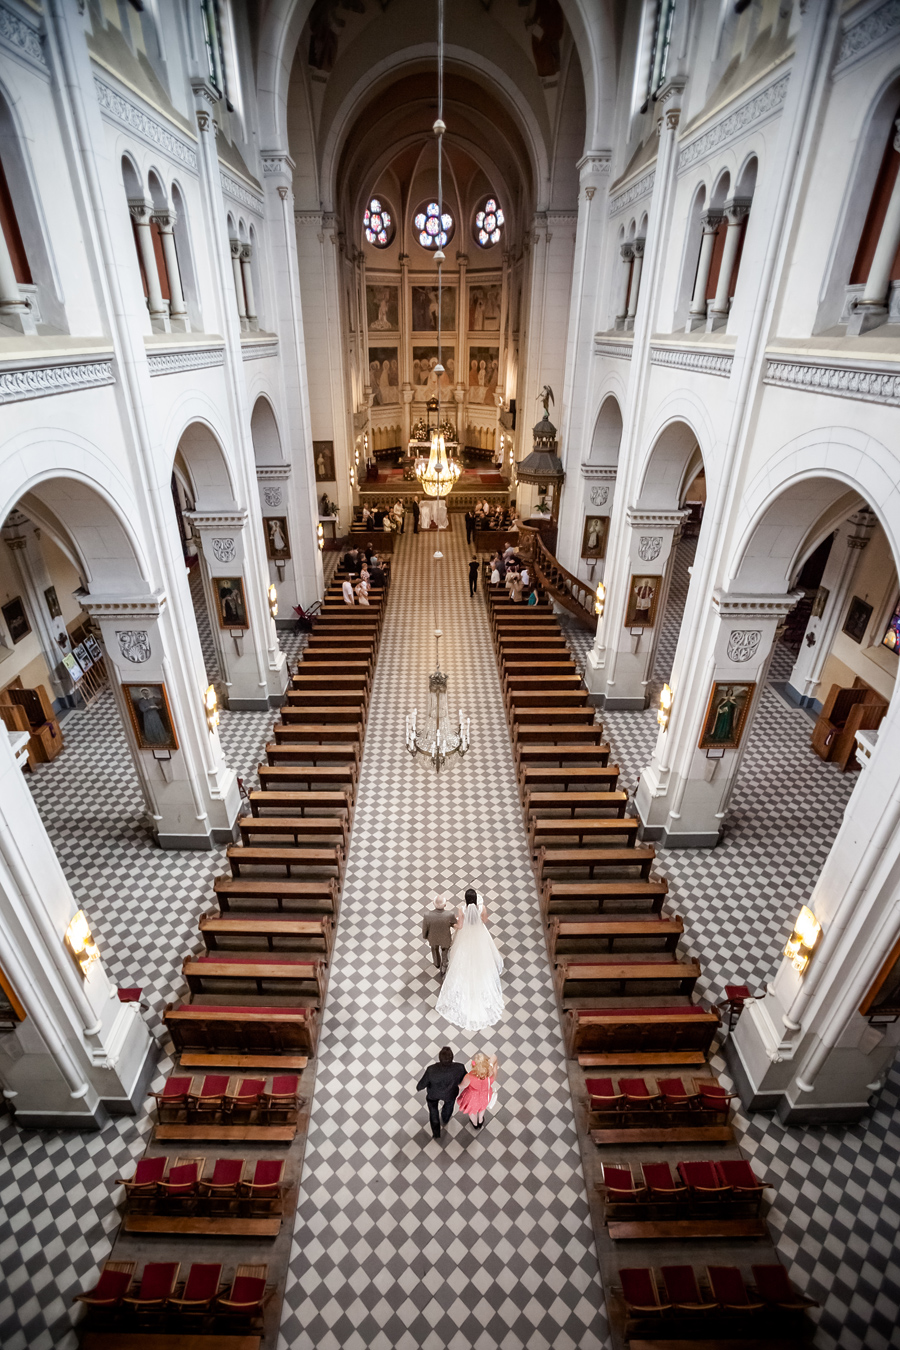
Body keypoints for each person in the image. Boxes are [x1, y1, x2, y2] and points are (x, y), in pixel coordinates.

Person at [435, 889, 504, 1031]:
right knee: (482, 956)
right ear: (475, 900)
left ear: (466, 900)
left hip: (465, 936)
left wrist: (452, 924)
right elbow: (485, 921)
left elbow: (460, 925)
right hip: (479, 934)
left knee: (462, 955)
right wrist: (482, 916)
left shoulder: (461, 909)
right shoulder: (482, 908)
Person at [416, 1047, 467, 1140]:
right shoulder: (459, 1068)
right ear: (452, 1057)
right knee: (449, 1106)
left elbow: (422, 1084)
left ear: (439, 1058)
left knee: (433, 1111)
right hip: (451, 1093)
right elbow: (464, 1079)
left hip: (433, 1094)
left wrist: (419, 1087)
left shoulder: (431, 1069)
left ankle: (436, 1133)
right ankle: (445, 1118)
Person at [456, 1052, 499, 1131]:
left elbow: (462, 1086)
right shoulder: (491, 1074)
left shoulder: (469, 1076)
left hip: (472, 1098)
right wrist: (491, 1065)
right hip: (485, 1096)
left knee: (472, 1111)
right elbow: (494, 1058)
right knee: (482, 1108)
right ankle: (481, 1120)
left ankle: (475, 1124)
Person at [421, 897, 457, 978]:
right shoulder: (450, 914)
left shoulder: (427, 915)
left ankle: (436, 963)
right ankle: (444, 966)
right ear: (445, 904)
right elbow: (454, 923)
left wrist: (425, 935)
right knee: (445, 951)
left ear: (434, 904)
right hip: (445, 938)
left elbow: (425, 928)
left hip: (433, 937)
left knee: (434, 949)